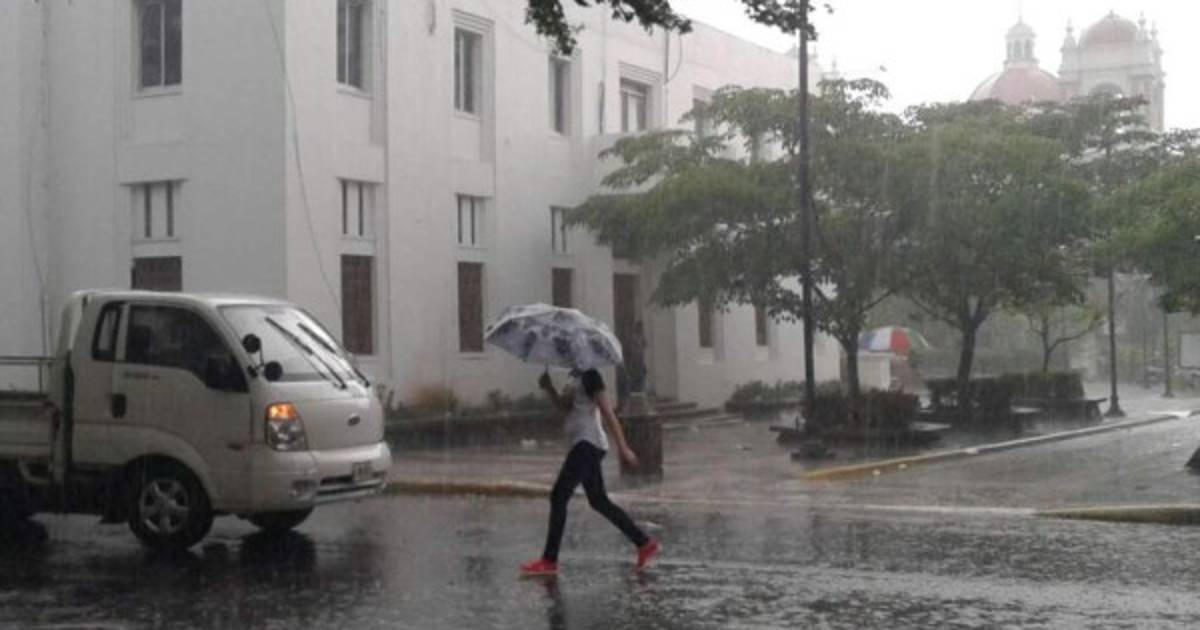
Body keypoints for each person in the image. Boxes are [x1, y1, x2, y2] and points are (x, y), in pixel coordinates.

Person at [519, 368, 660, 576]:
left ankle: (549, 560)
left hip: (588, 443)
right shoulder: (574, 375)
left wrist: (623, 448)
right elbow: (566, 406)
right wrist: (549, 388)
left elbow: (607, 412)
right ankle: (644, 542)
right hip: (582, 444)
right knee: (598, 501)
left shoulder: (591, 375)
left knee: (559, 495)